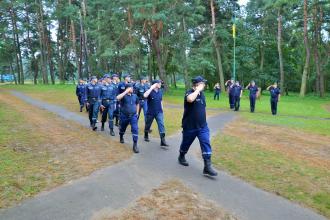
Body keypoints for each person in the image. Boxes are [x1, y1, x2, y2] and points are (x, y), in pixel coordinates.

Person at [178, 76, 218, 177]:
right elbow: (190, 99)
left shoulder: (202, 94)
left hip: (202, 126)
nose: (204, 85)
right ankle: (181, 156)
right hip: (189, 126)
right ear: (197, 84)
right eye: (203, 83)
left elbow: (202, 108)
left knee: (206, 142)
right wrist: (197, 91)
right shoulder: (189, 92)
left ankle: (207, 167)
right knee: (185, 144)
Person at [143, 79, 169, 149]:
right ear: (155, 84)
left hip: (159, 112)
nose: (160, 84)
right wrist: (151, 88)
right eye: (159, 83)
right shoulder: (150, 91)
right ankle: (146, 135)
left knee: (161, 125)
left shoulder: (160, 91)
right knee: (148, 125)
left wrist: (162, 109)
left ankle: (163, 141)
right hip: (150, 112)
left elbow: (161, 100)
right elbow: (144, 95)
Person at [116, 83, 140, 153]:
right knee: (123, 128)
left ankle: (135, 145)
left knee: (135, 129)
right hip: (124, 116)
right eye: (131, 88)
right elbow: (117, 97)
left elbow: (137, 104)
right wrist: (126, 91)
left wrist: (137, 113)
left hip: (133, 116)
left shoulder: (135, 96)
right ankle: (121, 136)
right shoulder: (123, 95)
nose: (132, 89)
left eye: (132, 88)